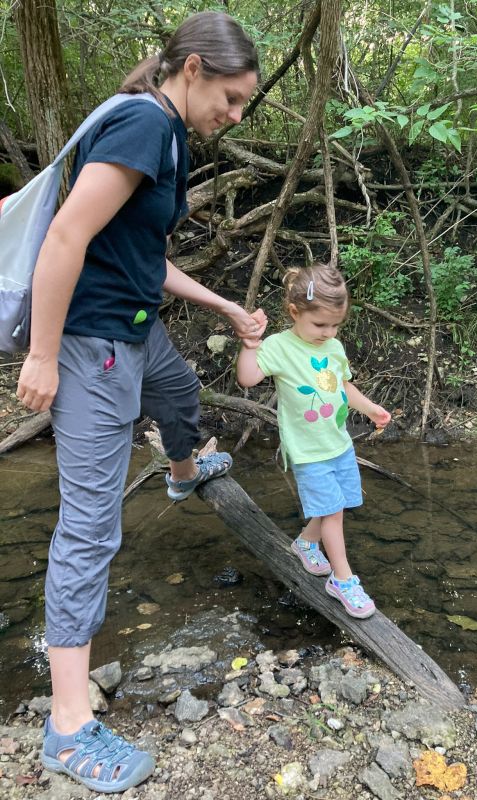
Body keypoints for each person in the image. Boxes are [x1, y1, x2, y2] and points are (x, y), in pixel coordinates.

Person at [16, 11, 266, 794]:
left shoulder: (167, 134)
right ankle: (66, 729)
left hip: (137, 329)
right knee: (89, 526)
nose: (234, 116)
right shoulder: (139, 124)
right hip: (92, 346)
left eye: (243, 107)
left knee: (181, 391)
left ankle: (184, 469)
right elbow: (64, 238)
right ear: (192, 68)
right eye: (229, 98)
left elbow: (141, 257)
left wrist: (223, 306)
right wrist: (45, 357)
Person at [237, 263, 391, 619]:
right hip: (308, 451)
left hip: (338, 443)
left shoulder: (334, 347)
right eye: (320, 324)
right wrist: (250, 343)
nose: (328, 332)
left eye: (335, 324)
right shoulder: (280, 346)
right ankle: (343, 579)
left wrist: (370, 409)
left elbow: (343, 386)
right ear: (295, 312)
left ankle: (306, 542)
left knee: (337, 503)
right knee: (333, 512)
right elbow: (247, 377)